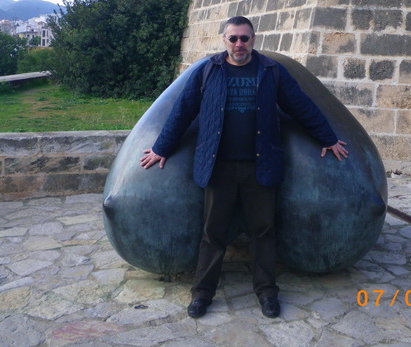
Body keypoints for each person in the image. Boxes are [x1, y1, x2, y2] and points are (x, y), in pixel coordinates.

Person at [140, 16, 348, 319]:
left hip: (260, 165)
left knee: (263, 231)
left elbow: (301, 106)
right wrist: (162, 148)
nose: (239, 44)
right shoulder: (208, 71)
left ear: (253, 39)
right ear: (224, 40)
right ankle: (202, 294)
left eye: (244, 38)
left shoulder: (272, 71)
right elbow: (182, 111)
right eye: (233, 38)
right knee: (213, 233)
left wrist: (328, 138)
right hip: (218, 165)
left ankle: (267, 293)